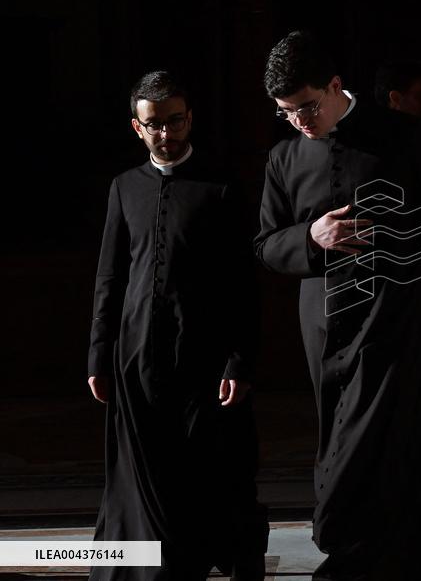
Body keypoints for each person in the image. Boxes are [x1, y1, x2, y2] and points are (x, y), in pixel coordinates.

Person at [255, 31, 421, 580]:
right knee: (341, 440)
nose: (300, 121)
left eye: (307, 106)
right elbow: (265, 245)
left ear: (335, 86)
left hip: (395, 320)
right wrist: (313, 235)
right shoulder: (284, 156)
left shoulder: (400, 136)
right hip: (323, 330)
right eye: (286, 113)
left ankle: (355, 561)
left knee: (391, 451)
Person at [88, 71, 268, 580]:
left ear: (189, 119)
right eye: (154, 124)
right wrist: (98, 354)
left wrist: (239, 358)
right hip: (136, 350)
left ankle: (192, 560)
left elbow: (241, 283)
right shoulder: (124, 187)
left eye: (175, 121)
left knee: (206, 465)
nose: (166, 133)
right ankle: (147, 565)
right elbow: (110, 275)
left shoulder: (223, 184)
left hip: (205, 352)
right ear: (137, 127)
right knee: (144, 466)